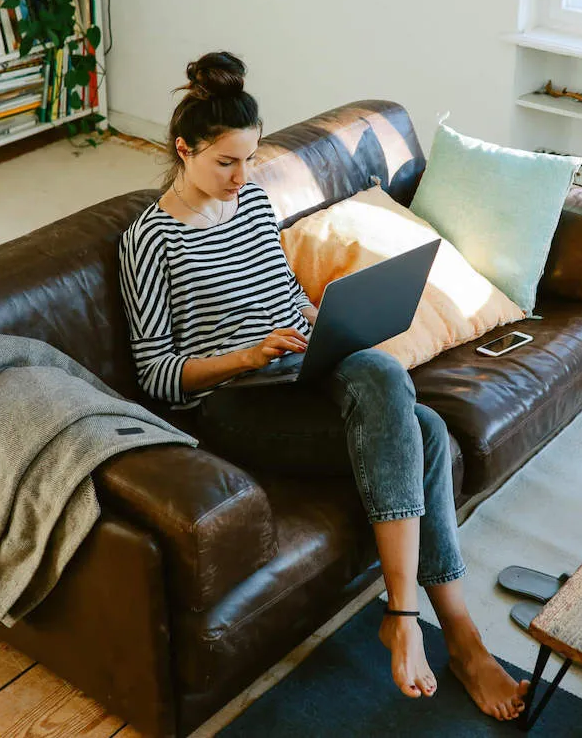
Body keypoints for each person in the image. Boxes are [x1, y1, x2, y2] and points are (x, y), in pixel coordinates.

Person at [118, 51, 530, 721]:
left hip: (298, 370)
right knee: (416, 423)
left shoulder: (251, 202)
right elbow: (156, 372)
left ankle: (423, 622)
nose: (242, 176)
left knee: (389, 382)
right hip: (235, 404)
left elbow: (280, 292)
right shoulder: (150, 239)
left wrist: (324, 321)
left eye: (250, 159)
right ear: (182, 150)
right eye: (226, 161)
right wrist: (245, 354)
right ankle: (446, 629)